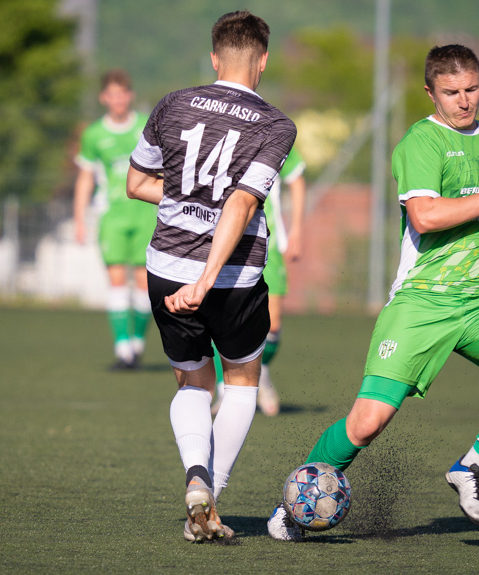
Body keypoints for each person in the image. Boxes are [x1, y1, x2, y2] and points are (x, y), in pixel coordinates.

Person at [268, 44, 479, 541]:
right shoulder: (421, 142)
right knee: (367, 423)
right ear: (431, 92)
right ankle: (293, 508)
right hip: (424, 300)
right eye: (451, 92)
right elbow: (424, 216)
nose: (464, 101)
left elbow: (472, 210)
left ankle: (470, 466)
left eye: (471, 89)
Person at [126, 11, 296, 542]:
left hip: (165, 268)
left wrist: (183, 201)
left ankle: (197, 477)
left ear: (214, 56)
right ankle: (210, 492)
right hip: (235, 280)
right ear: (262, 60)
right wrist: (208, 278)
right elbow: (243, 203)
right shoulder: (276, 125)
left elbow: (136, 183)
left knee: (191, 381)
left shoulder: (172, 104)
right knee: (242, 381)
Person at [211, 148, 306, 416]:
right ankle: (225, 391)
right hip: (224, 239)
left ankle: (259, 372)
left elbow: (296, 180)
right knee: (224, 320)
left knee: (272, 323)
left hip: (268, 241)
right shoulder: (220, 136)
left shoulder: (272, 135)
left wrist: (297, 228)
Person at [74, 69, 155, 370]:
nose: (118, 100)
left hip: (146, 212)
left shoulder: (146, 126)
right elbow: (85, 178)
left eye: (123, 93)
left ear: (130, 96)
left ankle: (137, 341)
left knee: (146, 283)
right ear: (103, 98)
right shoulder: (94, 134)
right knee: (117, 281)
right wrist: (80, 218)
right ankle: (123, 349)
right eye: (112, 94)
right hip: (113, 216)